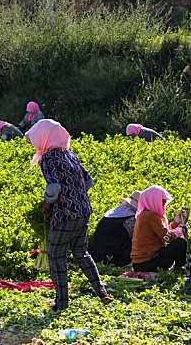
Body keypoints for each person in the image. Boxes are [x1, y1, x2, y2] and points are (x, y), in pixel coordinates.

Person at [25, 119, 113, 311]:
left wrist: (47, 202)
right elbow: (88, 181)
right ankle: (102, 292)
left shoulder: (48, 158)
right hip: (83, 211)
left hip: (65, 214)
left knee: (56, 256)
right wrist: (76, 194)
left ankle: (61, 304)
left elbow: (54, 187)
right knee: (81, 253)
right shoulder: (69, 154)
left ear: (44, 137)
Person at [131, 185, 188, 272]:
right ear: (154, 201)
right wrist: (181, 230)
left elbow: (162, 232)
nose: (163, 206)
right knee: (180, 242)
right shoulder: (151, 215)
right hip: (147, 264)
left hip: (140, 264)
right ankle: (179, 272)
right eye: (161, 202)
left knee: (178, 242)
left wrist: (175, 223)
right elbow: (167, 238)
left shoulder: (144, 214)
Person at [88, 190, 142, 267]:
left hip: (97, 255)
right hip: (113, 258)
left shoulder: (116, 212)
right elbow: (136, 239)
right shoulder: (130, 218)